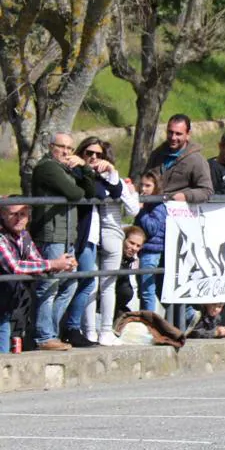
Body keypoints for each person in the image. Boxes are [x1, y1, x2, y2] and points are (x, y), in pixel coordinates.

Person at [29, 132, 98, 351]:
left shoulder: (66, 169)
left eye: (70, 148)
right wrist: (77, 179)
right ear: (51, 147)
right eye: (62, 147)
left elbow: (90, 191)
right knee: (48, 285)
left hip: (68, 236)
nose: (67, 152)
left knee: (70, 283)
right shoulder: (48, 168)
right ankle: (43, 336)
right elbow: (75, 193)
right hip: (51, 236)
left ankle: (50, 332)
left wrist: (85, 168)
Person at [70, 137, 135, 347]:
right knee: (91, 283)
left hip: (112, 233)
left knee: (107, 285)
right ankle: (90, 330)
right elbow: (99, 193)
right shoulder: (82, 174)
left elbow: (129, 204)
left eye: (99, 155)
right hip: (90, 233)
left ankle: (104, 331)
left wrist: (114, 176)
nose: (94, 158)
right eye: (89, 153)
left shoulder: (112, 178)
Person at [1, 201, 77, 353]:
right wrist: (53, 264)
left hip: (6, 304)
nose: (18, 218)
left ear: (28, 216)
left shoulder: (24, 235)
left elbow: (36, 262)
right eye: (13, 214)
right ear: (2, 215)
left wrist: (62, 265)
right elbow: (15, 267)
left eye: (22, 214)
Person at [145, 114, 213, 203]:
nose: (173, 137)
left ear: (188, 134)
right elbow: (146, 180)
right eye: (170, 132)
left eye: (178, 134)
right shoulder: (156, 155)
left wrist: (186, 196)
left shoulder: (196, 160)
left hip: (180, 213)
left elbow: (207, 191)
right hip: (153, 211)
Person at [132, 172, 168, 316]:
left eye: (148, 185)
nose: (143, 189)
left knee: (148, 289)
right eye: (141, 185)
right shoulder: (147, 203)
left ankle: (149, 321)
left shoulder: (158, 205)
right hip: (144, 249)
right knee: (144, 288)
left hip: (152, 250)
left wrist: (140, 210)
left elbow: (152, 228)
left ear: (156, 187)